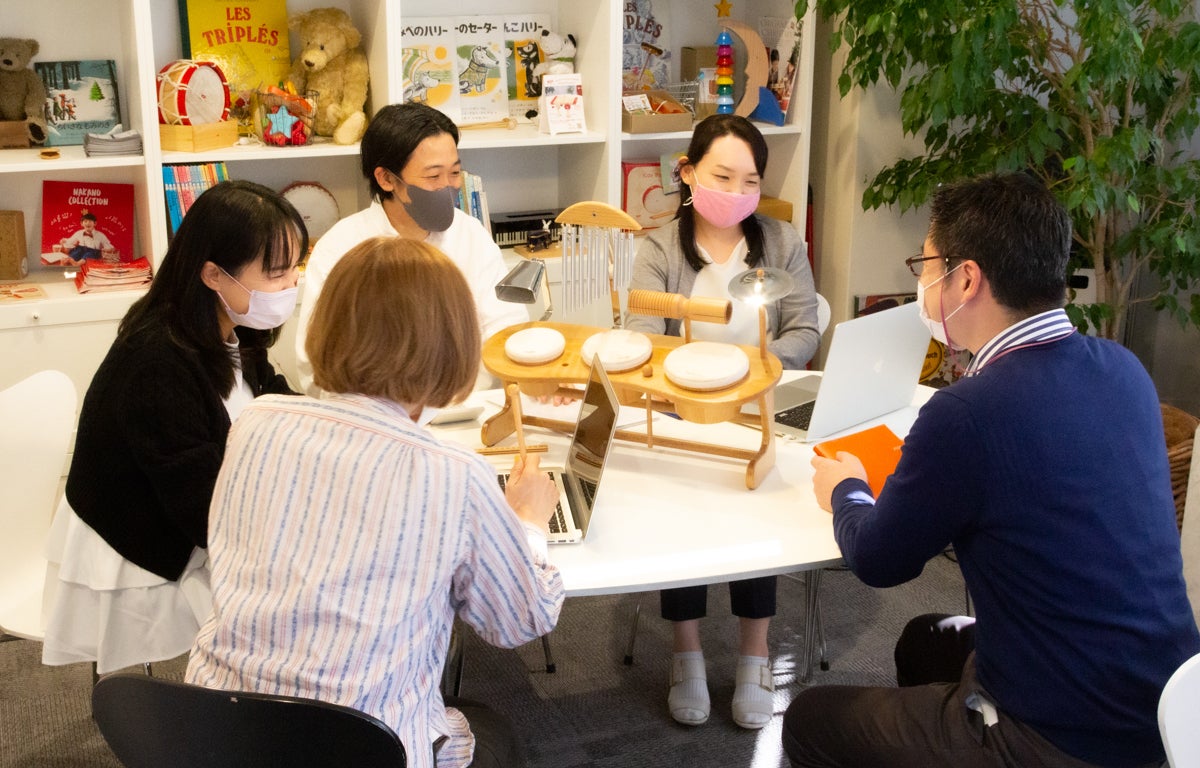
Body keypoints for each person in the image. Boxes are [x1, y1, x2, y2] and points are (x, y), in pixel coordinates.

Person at [783, 172, 1200, 767]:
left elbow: (877, 560)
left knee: (808, 720)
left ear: (966, 278)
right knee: (925, 642)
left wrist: (846, 488)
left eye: (925, 265)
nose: (923, 283)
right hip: (1165, 709)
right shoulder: (1123, 368)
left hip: (1059, 737)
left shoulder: (969, 413)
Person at [186, 236, 565, 768]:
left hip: (211, 735)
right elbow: (520, 621)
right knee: (493, 730)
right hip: (359, 748)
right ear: (453, 343)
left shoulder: (255, 422)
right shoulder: (453, 475)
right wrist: (526, 521)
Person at [41, 180, 303, 673]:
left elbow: (273, 400)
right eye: (276, 273)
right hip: (146, 548)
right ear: (213, 274)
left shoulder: (231, 326)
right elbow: (204, 513)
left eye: (294, 269)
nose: (291, 285)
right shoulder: (157, 363)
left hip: (195, 510)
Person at [623, 113, 820, 730]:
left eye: (750, 180)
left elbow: (805, 328)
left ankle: (755, 656)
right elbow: (640, 334)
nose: (737, 191)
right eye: (722, 176)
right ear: (687, 173)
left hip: (758, 406)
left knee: (758, 511)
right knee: (683, 515)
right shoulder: (659, 248)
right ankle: (686, 653)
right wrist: (697, 372)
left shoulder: (782, 242)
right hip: (679, 407)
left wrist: (754, 368)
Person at [295, 102, 526, 396]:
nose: (448, 187)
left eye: (455, 172)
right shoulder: (342, 247)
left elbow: (505, 328)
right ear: (386, 178)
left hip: (468, 406)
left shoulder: (471, 236)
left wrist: (527, 373)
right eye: (433, 176)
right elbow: (316, 359)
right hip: (374, 413)